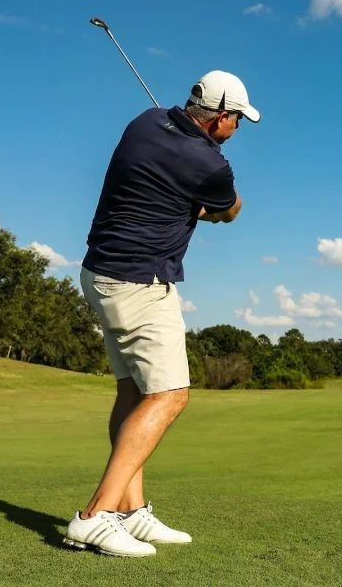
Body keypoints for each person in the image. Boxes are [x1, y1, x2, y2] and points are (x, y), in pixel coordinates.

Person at [63, 70, 260, 557]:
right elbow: (228, 211)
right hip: (140, 284)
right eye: (237, 120)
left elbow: (173, 187)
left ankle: (131, 511)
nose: (238, 129)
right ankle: (97, 516)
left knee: (133, 391)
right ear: (219, 119)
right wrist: (215, 200)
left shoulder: (144, 121)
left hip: (101, 274)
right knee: (170, 397)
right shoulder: (210, 165)